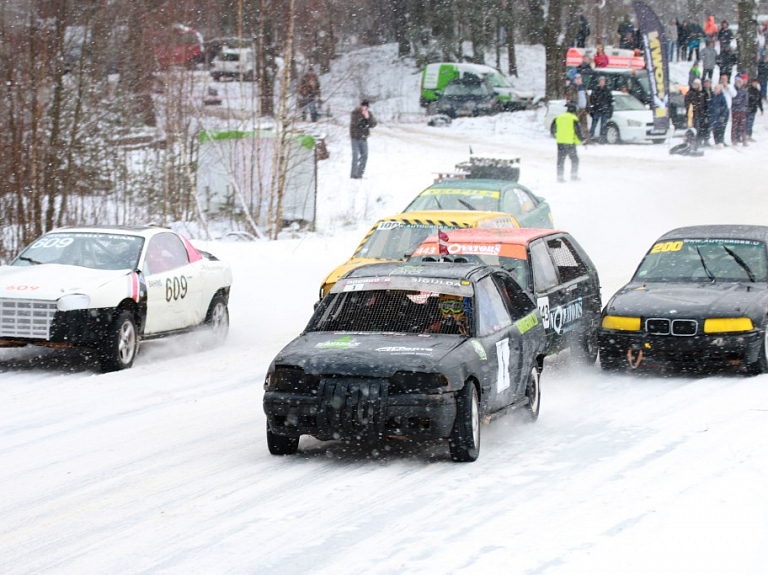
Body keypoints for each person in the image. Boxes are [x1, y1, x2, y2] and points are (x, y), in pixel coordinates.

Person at [555, 103, 584, 182]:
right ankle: (573, 176)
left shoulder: (559, 117)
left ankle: (560, 177)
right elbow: (578, 131)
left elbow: (555, 128)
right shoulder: (573, 118)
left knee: (561, 160)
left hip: (560, 142)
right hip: (570, 142)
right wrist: (582, 139)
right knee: (574, 159)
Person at [349, 100, 377, 179]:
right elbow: (356, 123)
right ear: (361, 106)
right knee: (355, 156)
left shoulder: (369, 113)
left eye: (366, 107)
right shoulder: (355, 112)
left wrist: (368, 118)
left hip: (363, 137)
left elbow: (373, 124)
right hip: (355, 137)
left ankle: (360, 173)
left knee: (364, 155)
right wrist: (363, 117)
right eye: (364, 106)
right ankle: (353, 174)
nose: (365, 108)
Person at [566, 73, 589, 143]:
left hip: (583, 109)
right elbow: (570, 98)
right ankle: (574, 139)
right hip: (576, 109)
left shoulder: (583, 87)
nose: (578, 80)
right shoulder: (572, 88)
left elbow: (587, 97)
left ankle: (586, 140)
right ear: (574, 80)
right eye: (577, 79)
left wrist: (588, 106)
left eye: (580, 79)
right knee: (575, 125)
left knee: (584, 124)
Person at [589, 76, 613, 143]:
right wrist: (593, 109)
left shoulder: (607, 90)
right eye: (601, 81)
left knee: (603, 125)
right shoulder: (595, 90)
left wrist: (609, 110)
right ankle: (591, 136)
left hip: (604, 110)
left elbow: (610, 101)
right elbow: (592, 100)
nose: (602, 83)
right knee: (594, 124)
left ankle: (602, 138)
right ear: (599, 82)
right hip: (597, 110)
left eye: (603, 81)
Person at [685, 78, 707, 144]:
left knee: (700, 128)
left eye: (697, 84)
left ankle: (699, 141)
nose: (696, 85)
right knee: (693, 128)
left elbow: (704, 103)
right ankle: (692, 141)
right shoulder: (690, 93)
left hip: (701, 114)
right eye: (695, 84)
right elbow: (687, 103)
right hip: (693, 114)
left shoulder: (702, 93)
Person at [731, 77, 748, 146]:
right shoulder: (733, 90)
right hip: (735, 110)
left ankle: (744, 140)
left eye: (739, 82)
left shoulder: (744, 90)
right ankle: (734, 139)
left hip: (742, 110)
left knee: (743, 125)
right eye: (737, 82)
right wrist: (738, 102)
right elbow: (733, 100)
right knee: (735, 125)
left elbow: (746, 100)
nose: (738, 83)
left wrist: (741, 103)